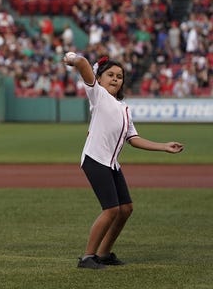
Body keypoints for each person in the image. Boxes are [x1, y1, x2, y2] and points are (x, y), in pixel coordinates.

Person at [62, 52, 184, 270]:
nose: (116, 79)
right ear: (99, 78)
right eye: (110, 74)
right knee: (111, 210)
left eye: (120, 76)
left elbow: (132, 139)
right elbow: (81, 64)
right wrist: (72, 58)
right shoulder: (97, 94)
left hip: (111, 163)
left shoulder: (124, 108)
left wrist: (163, 146)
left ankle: (104, 253)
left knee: (126, 208)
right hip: (95, 159)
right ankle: (88, 257)